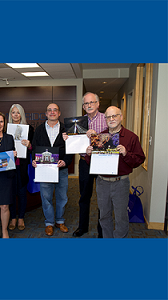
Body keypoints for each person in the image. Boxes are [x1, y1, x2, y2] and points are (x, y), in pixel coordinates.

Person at [86, 106, 145, 238]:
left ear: (121, 117)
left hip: (121, 183)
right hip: (102, 182)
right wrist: (89, 154)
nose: (111, 119)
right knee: (104, 215)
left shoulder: (131, 137)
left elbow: (139, 160)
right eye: (108, 117)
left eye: (114, 116)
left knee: (121, 217)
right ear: (105, 119)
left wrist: (126, 153)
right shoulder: (100, 137)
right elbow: (92, 163)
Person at [64, 92, 108, 237]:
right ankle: (82, 227)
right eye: (86, 103)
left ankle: (102, 230)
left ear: (98, 104)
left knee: (102, 197)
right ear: (83, 106)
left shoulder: (106, 118)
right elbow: (74, 143)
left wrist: (96, 136)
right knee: (84, 197)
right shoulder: (78, 122)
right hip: (85, 163)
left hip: (102, 161)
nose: (89, 105)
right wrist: (67, 138)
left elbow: (112, 139)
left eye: (91, 102)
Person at [32, 103, 73, 236]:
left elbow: (71, 149)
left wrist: (65, 162)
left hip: (61, 169)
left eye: (55, 110)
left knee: (62, 197)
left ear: (59, 113)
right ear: (46, 113)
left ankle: (60, 221)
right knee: (46, 197)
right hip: (45, 171)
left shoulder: (66, 129)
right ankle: (49, 222)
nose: (52, 112)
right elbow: (34, 148)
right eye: (49, 110)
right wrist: (33, 160)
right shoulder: (38, 130)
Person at [7, 104, 34, 231]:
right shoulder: (5, 130)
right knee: (11, 193)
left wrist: (29, 145)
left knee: (22, 193)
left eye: (18, 112)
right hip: (8, 167)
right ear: (10, 114)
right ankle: (13, 218)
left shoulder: (29, 130)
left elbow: (33, 150)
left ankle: (21, 218)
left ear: (22, 114)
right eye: (13, 112)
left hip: (22, 167)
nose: (16, 115)